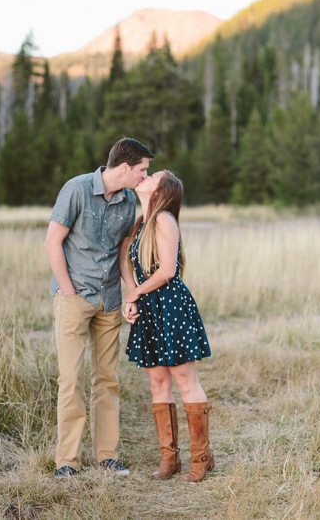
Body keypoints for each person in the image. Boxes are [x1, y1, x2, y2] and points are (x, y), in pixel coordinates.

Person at [43, 137, 153, 478]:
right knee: (71, 379)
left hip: (110, 299)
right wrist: (68, 290)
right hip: (75, 297)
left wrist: (131, 294)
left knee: (107, 379)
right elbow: (52, 241)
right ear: (124, 167)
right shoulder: (75, 189)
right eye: (142, 170)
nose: (145, 177)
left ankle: (107, 456)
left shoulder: (127, 203)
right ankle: (68, 462)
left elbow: (122, 255)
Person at [121, 170, 213, 482]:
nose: (143, 177)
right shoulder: (140, 224)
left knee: (185, 381)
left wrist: (135, 292)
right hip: (149, 308)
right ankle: (168, 459)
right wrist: (132, 297)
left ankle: (201, 458)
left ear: (162, 191)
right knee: (158, 383)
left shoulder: (164, 220)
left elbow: (168, 271)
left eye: (152, 176)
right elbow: (128, 263)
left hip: (171, 306)